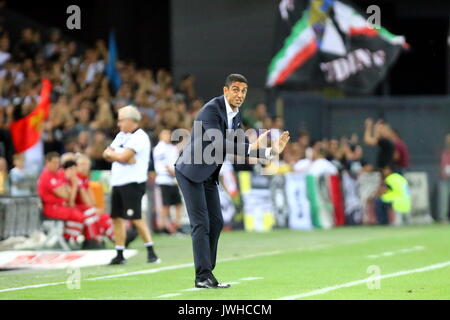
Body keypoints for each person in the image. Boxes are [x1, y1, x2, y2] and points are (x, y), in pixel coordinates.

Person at [175, 74, 290, 289]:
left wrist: (270, 151)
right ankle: (203, 276)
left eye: (244, 91)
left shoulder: (236, 116)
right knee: (201, 224)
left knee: (216, 222)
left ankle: (207, 271)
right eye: (235, 89)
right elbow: (220, 144)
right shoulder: (211, 110)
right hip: (190, 172)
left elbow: (240, 150)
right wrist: (255, 148)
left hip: (208, 174)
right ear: (225, 90)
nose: (240, 94)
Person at [103, 105, 160, 265]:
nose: (118, 124)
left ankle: (151, 252)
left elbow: (122, 156)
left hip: (133, 182)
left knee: (135, 218)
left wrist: (115, 155)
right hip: (118, 181)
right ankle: (120, 253)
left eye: (121, 120)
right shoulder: (121, 135)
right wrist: (117, 155)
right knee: (116, 218)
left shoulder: (140, 137)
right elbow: (107, 153)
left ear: (130, 120)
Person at [37, 152, 102, 243]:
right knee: (79, 215)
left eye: (58, 163)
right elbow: (66, 196)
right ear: (47, 162)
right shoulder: (48, 176)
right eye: (54, 162)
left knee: (90, 210)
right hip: (53, 207)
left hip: (63, 205)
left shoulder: (59, 175)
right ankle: (68, 239)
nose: (57, 165)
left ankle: (91, 239)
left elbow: (71, 198)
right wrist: (73, 187)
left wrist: (72, 187)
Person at [153, 129, 184, 234]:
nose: (167, 136)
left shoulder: (171, 147)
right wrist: (171, 171)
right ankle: (163, 226)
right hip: (164, 179)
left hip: (173, 180)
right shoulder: (159, 148)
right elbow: (162, 164)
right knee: (165, 205)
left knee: (178, 204)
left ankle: (177, 225)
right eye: (165, 134)